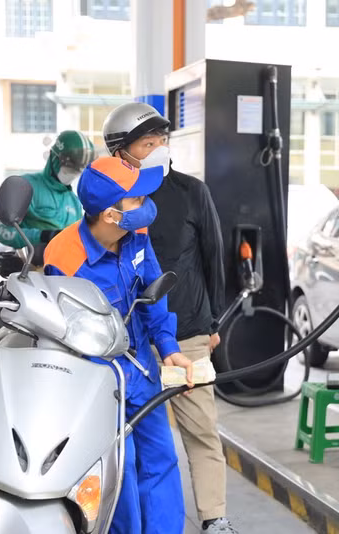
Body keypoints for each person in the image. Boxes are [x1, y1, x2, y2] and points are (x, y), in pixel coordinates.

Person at [44, 156, 194, 534]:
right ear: (110, 215)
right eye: (137, 200)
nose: (146, 206)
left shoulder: (137, 236)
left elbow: (152, 292)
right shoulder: (64, 259)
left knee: (160, 460)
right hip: (96, 384)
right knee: (117, 470)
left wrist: (168, 346)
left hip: (142, 373)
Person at [103, 103, 234, 534]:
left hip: (189, 332)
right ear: (122, 152)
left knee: (202, 430)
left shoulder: (192, 192)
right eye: (147, 143)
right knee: (134, 443)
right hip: (130, 345)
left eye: (163, 140)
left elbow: (215, 258)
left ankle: (214, 517)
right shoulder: (105, 199)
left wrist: (213, 324)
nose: (159, 148)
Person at [0, 130, 95, 269]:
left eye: (77, 171)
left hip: (62, 275)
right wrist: (43, 236)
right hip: (26, 272)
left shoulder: (74, 201)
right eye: (69, 168)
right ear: (54, 159)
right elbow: (3, 231)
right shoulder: (26, 187)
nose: (72, 174)